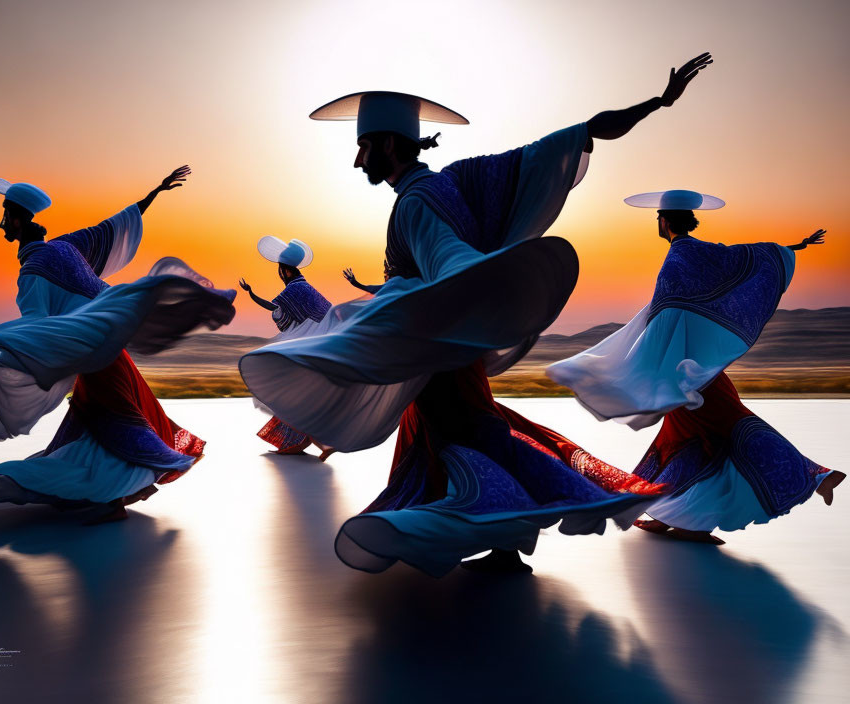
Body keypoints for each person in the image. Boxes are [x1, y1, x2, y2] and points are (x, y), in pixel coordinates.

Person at [240, 54, 712, 575]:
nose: (357, 161)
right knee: (468, 434)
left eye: (363, 147)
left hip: (441, 345)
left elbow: (448, 262)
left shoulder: (418, 203)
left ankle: (500, 532)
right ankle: (498, 541)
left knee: (466, 437)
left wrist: (453, 298)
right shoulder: (458, 181)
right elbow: (576, 136)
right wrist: (658, 103)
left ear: (390, 145)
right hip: (446, 341)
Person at [547, 189, 844, 544]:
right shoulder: (705, 252)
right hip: (694, 368)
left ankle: (815, 475)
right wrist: (792, 248)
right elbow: (752, 256)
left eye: (658, 218)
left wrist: (642, 363)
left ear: (666, 221)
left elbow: (663, 316)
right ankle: (670, 513)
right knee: (684, 439)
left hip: (686, 372)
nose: (657, 223)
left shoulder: (679, 257)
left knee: (731, 425)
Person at [0, 167, 237, 523]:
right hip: (110, 353)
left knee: (113, 424)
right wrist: (155, 191)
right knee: (99, 426)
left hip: (97, 359)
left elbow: (36, 326)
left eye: (4, 217)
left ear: (16, 220)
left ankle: (109, 498)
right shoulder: (66, 247)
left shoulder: (31, 273)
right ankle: (106, 495)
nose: (1, 225)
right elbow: (113, 226)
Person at [239, 236, 334, 459]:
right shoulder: (308, 288)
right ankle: (315, 442)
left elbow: (275, 309)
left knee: (292, 394)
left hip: (306, 351)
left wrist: (251, 293)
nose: (280, 275)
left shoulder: (293, 290)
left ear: (287, 271)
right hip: (320, 349)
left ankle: (322, 442)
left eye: (280, 271)